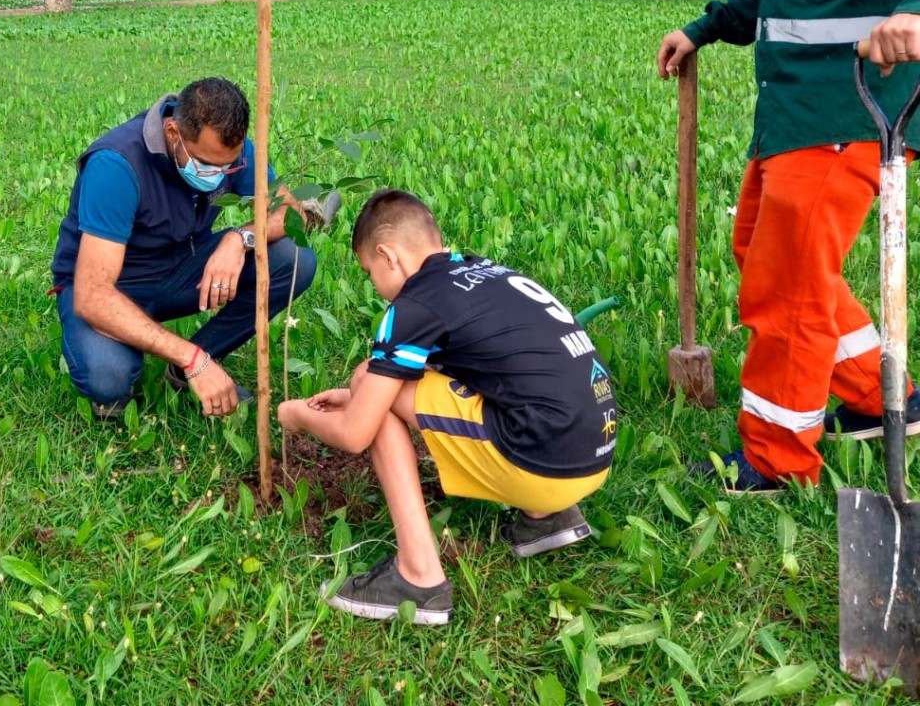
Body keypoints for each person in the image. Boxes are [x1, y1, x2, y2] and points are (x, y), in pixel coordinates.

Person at [656, 0, 920, 493]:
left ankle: (776, 461)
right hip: (792, 115)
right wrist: (703, 29)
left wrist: (914, 12)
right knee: (760, 251)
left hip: (851, 112)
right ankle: (880, 397)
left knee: (788, 289)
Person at [278, 189, 615, 625]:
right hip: (593, 455)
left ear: (388, 255)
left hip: (543, 461)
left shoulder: (414, 304)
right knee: (374, 390)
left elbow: (355, 433)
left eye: (368, 272)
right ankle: (547, 518)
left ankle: (418, 578)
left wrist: (298, 416)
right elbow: (480, 366)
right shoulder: (482, 272)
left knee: (367, 378)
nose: (374, 286)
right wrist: (357, 400)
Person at [51, 77, 319, 420]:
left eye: (229, 166)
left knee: (292, 259)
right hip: (111, 287)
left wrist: (240, 238)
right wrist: (191, 356)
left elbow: (291, 213)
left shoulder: (230, 151)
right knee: (108, 377)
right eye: (208, 165)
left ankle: (185, 370)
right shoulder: (116, 165)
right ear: (174, 133)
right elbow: (92, 296)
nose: (220, 174)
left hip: (179, 269)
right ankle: (188, 362)